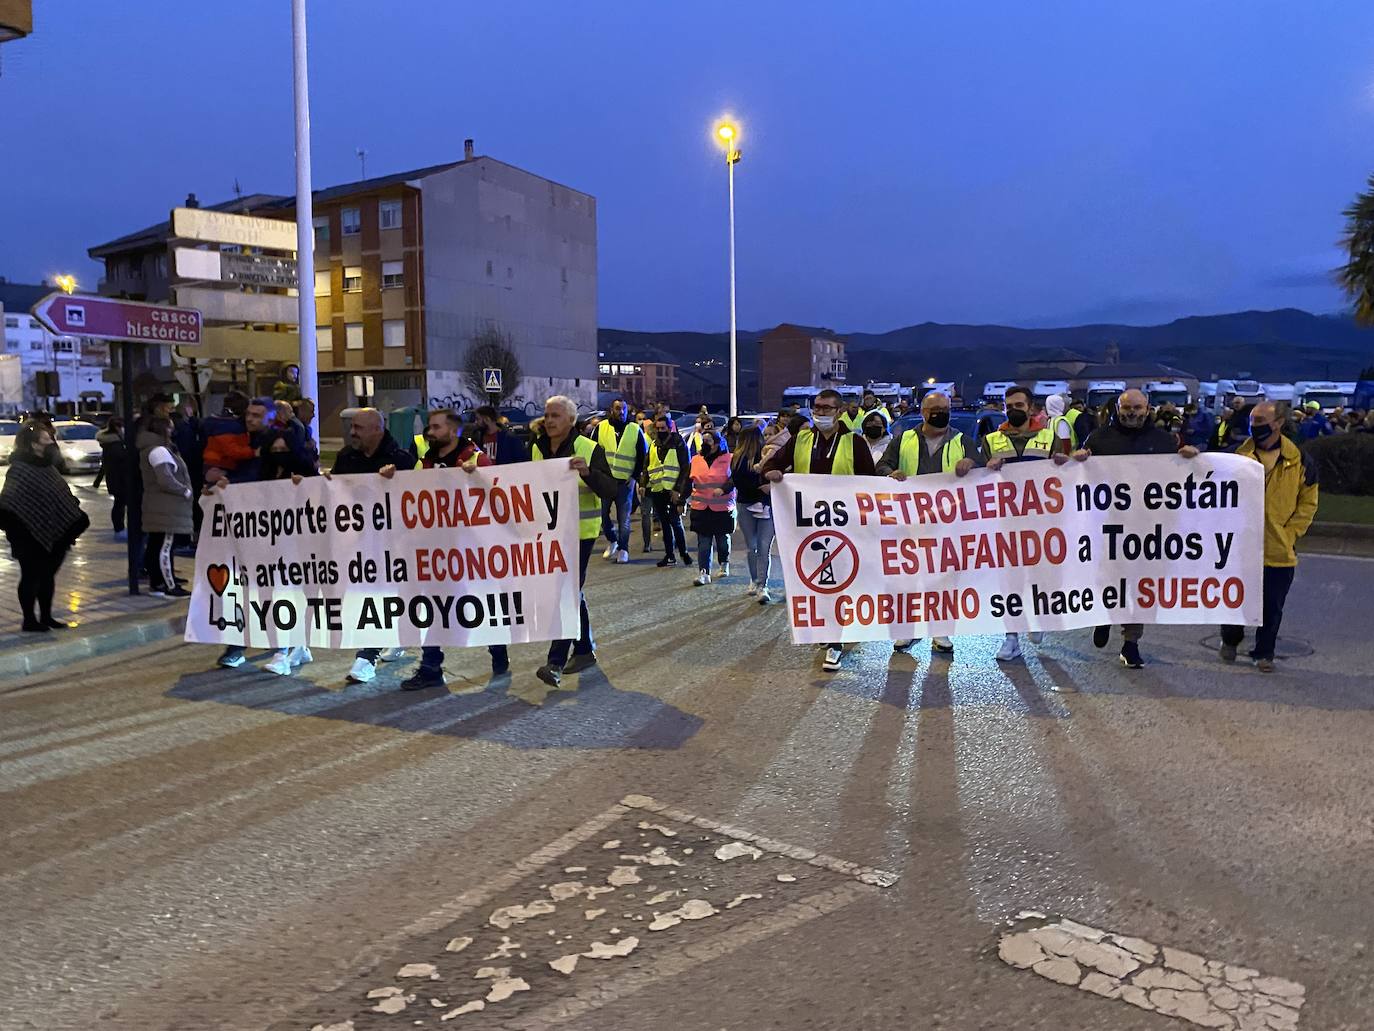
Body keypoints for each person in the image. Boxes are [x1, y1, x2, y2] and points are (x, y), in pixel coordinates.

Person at [1079, 389, 1201, 668]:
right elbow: (1081, 475)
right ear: (1117, 409)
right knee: (1108, 579)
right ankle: (1105, 617)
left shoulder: (1163, 441)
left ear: (1147, 409)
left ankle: (1131, 642)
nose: (1132, 412)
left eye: (1137, 407)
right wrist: (1077, 462)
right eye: (1126, 407)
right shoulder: (1098, 439)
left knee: (1142, 587)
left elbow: (1178, 480)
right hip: (1108, 526)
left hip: (1148, 529)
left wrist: (1190, 459)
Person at [762, 387, 877, 673]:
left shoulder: (855, 442)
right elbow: (775, 464)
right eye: (816, 407)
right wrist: (773, 472)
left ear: (839, 411)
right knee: (817, 584)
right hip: (809, 529)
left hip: (844, 529)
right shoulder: (802, 439)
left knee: (837, 584)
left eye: (826, 408)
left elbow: (869, 484)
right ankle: (828, 631)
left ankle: (836, 641)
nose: (820, 412)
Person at [400, 410, 510, 691]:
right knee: (434, 607)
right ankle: (431, 666)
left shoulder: (476, 459)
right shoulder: (424, 463)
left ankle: (498, 653)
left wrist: (479, 479)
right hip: (431, 549)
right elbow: (407, 497)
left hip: (468, 550)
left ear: (453, 431)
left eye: (436, 427)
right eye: (430, 427)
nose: (430, 432)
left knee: (478, 605)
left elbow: (499, 500)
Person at [877, 390, 984, 652]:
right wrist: (892, 473)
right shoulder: (903, 440)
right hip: (908, 523)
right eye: (935, 409)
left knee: (944, 580)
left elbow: (982, 470)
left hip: (948, 525)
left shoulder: (962, 441)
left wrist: (971, 462)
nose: (941, 413)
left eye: (945, 408)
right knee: (907, 579)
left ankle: (941, 632)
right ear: (924, 412)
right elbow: (882, 466)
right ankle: (906, 630)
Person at [1218, 402, 1318, 673]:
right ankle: (1230, 637)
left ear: (1278, 423)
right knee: (1234, 599)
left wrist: (1291, 532)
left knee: (1272, 606)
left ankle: (1264, 653)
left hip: (1279, 549)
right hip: (1240, 547)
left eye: (1260, 419)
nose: (1254, 424)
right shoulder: (1236, 456)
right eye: (1252, 419)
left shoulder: (1300, 461)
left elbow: (1308, 502)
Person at [531, 395, 619, 688]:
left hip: (580, 533)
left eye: (556, 415)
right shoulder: (537, 448)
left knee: (565, 593)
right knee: (571, 591)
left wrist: (588, 473)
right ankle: (583, 650)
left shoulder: (589, 449)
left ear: (570, 420)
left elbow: (610, 490)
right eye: (547, 414)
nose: (549, 420)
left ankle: (555, 662)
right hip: (548, 533)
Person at [332, 408, 417, 685]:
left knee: (381, 594)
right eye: (352, 427)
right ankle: (385, 641)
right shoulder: (346, 457)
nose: (352, 432)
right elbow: (334, 491)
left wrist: (397, 480)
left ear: (377, 430)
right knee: (367, 594)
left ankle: (367, 655)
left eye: (358, 427)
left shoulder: (400, 460)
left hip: (393, 543)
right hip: (357, 541)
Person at [981, 385, 1058, 661]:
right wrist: (983, 466)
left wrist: (1069, 462)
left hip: (1041, 522)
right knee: (1009, 581)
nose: (1013, 410)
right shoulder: (991, 440)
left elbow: (1066, 473)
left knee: (1039, 576)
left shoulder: (1049, 438)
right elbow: (977, 479)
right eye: (1009, 405)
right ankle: (1011, 637)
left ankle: (1037, 618)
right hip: (1006, 522)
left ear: (1031, 407)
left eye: (1019, 405)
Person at [0, 423, 89, 632]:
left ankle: (47, 616)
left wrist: (73, 515)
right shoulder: (19, 469)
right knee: (31, 576)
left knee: (47, 577)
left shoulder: (49, 467)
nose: (52, 443)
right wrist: (22, 531)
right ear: (33, 445)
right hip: (27, 536)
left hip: (56, 535)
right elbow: (8, 504)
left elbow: (61, 497)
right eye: (46, 439)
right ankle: (29, 620)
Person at [137, 416, 194, 598]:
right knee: (164, 546)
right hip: (167, 508)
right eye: (170, 427)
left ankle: (158, 582)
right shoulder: (159, 451)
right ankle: (168, 585)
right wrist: (184, 491)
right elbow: (165, 479)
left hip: (160, 507)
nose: (173, 430)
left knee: (157, 545)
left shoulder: (154, 449)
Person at [596, 398, 648, 563]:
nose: (622, 412)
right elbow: (592, 451)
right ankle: (613, 541)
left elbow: (642, 456)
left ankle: (623, 549)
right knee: (603, 517)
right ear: (612, 410)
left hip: (625, 483)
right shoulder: (601, 427)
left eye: (624, 409)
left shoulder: (634, 429)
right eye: (618, 408)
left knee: (624, 519)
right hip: (605, 481)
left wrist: (634, 478)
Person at [731, 424, 776, 603]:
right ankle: (755, 579)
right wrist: (762, 488)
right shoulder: (739, 459)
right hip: (749, 505)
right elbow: (739, 482)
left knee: (762, 547)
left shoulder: (768, 456)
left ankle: (762, 585)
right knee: (754, 546)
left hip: (763, 505)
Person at [687, 429, 735, 585]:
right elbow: (687, 480)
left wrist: (723, 489)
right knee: (704, 542)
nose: (704, 443)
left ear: (716, 443)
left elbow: (734, 479)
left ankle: (724, 562)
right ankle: (704, 573)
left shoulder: (729, 459)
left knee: (722, 540)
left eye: (708, 440)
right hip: (701, 507)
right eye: (703, 440)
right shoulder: (695, 459)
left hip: (722, 508)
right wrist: (680, 499)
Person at [646, 414, 691, 568]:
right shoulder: (653, 444)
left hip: (672, 490)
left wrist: (678, 490)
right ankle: (670, 555)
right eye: (658, 428)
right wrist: (642, 484)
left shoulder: (678, 442)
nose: (660, 431)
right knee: (665, 524)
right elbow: (648, 466)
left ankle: (684, 553)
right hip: (657, 489)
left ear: (669, 427)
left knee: (675, 522)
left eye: (663, 428)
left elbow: (686, 468)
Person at [95, 417, 128, 537]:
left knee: (119, 503)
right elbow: (121, 460)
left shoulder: (111, 443)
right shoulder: (115, 444)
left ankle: (119, 528)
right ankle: (119, 528)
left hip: (115, 479)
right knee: (120, 504)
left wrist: (97, 481)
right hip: (119, 479)